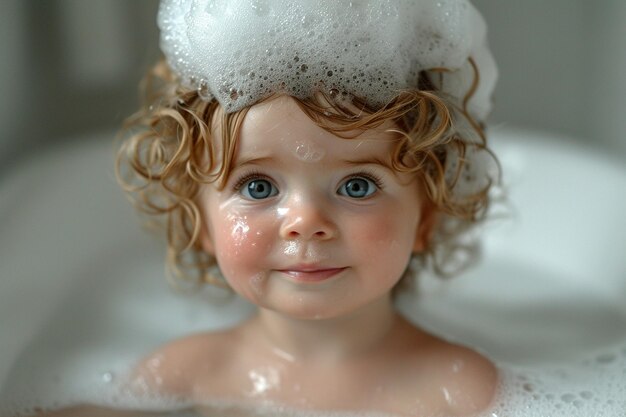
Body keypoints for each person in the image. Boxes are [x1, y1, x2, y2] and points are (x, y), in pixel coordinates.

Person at [114, 1, 500, 415]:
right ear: (202, 222)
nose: (306, 222)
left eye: (357, 186)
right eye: (259, 187)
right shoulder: (179, 378)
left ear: (425, 217)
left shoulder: (462, 391)